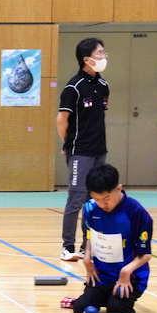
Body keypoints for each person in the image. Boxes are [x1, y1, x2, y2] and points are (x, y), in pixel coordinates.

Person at [69, 164, 152, 313]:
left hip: (130, 277)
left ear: (119, 188)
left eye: (107, 199)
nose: (102, 204)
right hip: (102, 276)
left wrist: (126, 272)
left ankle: (114, 300)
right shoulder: (90, 208)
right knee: (80, 307)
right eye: (96, 199)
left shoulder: (136, 212)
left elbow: (145, 254)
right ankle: (105, 297)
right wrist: (87, 258)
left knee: (116, 310)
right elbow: (90, 235)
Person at [57, 38, 109, 262]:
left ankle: (87, 245)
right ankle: (67, 247)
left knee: (95, 199)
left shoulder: (103, 85)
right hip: (80, 152)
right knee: (76, 198)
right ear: (87, 59)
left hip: (100, 150)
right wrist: (70, 146)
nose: (104, 57)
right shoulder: (73, 87)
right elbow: (62, 121)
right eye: (100, 53)